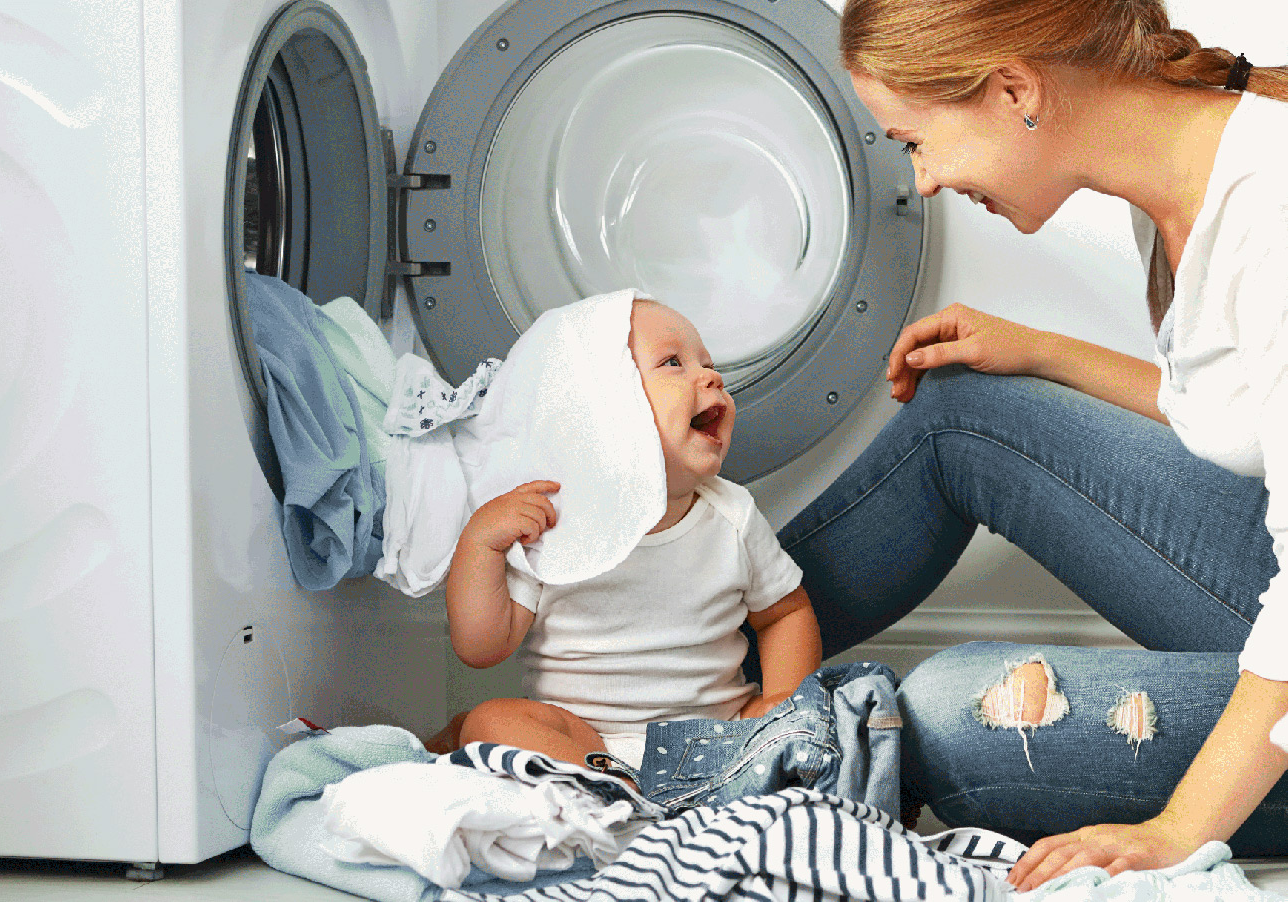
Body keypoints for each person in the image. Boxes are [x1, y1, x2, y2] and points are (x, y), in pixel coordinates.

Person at [776, 0, 1288, 890]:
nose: (923, 179)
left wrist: (1178, 832)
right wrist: (1041, 351)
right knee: (966, 410)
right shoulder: (1182, 184)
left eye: (914, 140)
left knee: (948, 714)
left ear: (1016, 88)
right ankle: (668, 680)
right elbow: (1249, 410)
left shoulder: (1273, 215)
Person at [438, 298, 822, 776]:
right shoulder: (555, 520)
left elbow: (784, 613)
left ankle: (643, 793)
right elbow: (481, 648)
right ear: (602, 404)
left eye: (708, 364)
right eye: (673, 363)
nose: (711, 377)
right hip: (582, 737)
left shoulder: (732, 515)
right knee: (490, 721)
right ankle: (611, 784)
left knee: (826, 719)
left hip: (717, 733)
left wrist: (780, 701)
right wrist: (481, 543)